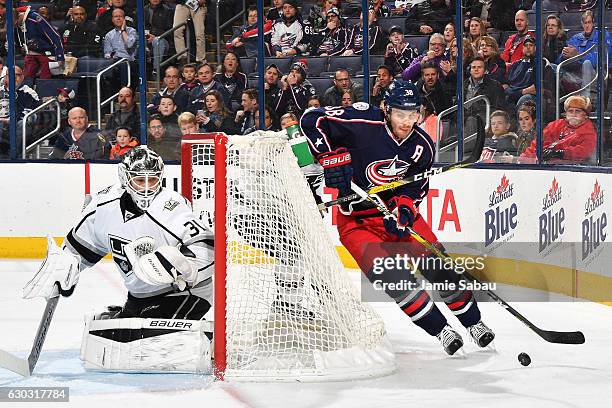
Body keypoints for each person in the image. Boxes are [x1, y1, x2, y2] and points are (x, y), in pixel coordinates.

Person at [300, 80, 495, 355]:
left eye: (413, 114)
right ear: (386, 109)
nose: (406, 121)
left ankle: (474, 323)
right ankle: (441, 330)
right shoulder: (362, 121)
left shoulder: (423, 146)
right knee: (395, 279)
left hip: (395, 212)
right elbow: (311, 119)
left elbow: (416, 187)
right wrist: (330, 157)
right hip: (356, 222)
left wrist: (403, 208)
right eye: (400, 114)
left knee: (440, 269)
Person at [24, 146, 214, 373]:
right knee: (112, 340)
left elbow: (207, 247)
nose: (146, 188)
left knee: (145, 352)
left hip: (184, 292)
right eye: (139, 181)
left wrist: (187, 268)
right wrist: (65, 265)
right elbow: (80, 249)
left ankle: (208, 344)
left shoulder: (171, 206)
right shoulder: (103, 206)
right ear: (125, 178)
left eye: (152, 180)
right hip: (139, 295)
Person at [520, 95, 596, 163]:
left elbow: (583, 151)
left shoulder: (588, 130)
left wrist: (561, 153)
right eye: (570, 111)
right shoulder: (556, 125)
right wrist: (524, 158)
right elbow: (538, 143)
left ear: (585, 114)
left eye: (578, 111)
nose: (574, 114)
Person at [15, 6, 65, 80]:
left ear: (21, 15)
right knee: (26, 79)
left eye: (15, 21)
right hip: (30, 54)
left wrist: (60, 56)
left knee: (45, 79)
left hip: (46, 54)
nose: (15, 24)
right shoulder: (17, 24)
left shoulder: (35, 18)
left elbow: (55, 36)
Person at [503, 35, 536, 107]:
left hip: (528, 96)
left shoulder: (540, 63)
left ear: (535, 47)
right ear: (523, 48)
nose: (528, 47)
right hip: (512, 95)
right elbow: (505, 84)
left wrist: (520, 92)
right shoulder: (515, 64)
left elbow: (537, 88)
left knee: (524, 99)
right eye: (526, 45)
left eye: (531, 45)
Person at [143, 0, 174, 75]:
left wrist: (155, 36)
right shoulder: (143, 10)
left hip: (162, 39)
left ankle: (156, 69)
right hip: (144, 37)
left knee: (157, 41)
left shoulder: (167, 11)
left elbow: (170, 31)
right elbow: (137, 27)